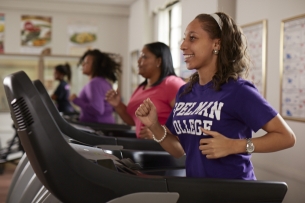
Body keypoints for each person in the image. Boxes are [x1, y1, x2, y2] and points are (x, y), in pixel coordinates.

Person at [135, 12, 296, 179]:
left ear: (216, 44)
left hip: (234, 192)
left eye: (192, 38)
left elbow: (286, 137)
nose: (183, 45)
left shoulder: (238, 90)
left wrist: (234, 146)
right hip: (199, 191)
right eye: (184, 38)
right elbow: (178, 150)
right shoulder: (185, 92)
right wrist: (154, 125)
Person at [105, 42, 185, 139]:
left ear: (159, 61)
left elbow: (188, 121)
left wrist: (159, 132)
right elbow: (133, 120)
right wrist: (118, 105)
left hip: (165, 150)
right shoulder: (140, 88)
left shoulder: (172, 84)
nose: (138, 61)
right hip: (143, 146)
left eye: (144, 57)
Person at [70, 49, 120, 124]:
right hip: (105, 125)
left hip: (98, 128)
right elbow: (111, 108)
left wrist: (76, 100)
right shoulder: (104, 82)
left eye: (86, 62)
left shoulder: (95, 83)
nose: (83, 64)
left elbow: (97, 109)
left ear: (96, 65)